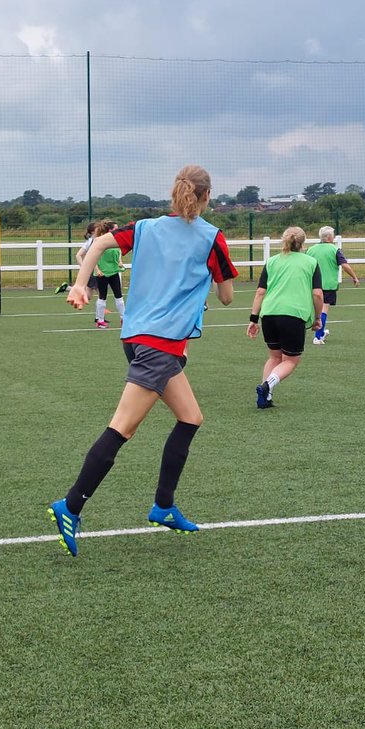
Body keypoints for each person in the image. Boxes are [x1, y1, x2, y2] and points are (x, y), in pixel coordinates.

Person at [48, 164, 238, 557]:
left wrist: (82, 284)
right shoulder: (212, 238)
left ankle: (164, 506)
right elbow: (227, 297)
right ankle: (70, 505)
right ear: (207, 196)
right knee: (123, 427)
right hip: (161, 345)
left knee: (191, 417)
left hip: (137, 338)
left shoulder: (146, 228)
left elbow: (99, 244)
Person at [246, 227, 323, 408]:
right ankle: (267, 386)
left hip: (269, 314)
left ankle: (266, 397)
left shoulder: (272, 261)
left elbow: (260, 292)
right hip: (293, 315)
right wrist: (318, 317)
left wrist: (253, 319)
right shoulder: (311, 262)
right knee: (290, 360)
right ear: (303, 243)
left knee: (274, 357)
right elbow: (318, 294)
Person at [306, 225, 360, 344]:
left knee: (316, 310)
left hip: (313, 285)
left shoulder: (310, 250)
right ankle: (318, 336)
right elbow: (344, 265)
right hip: (328, 285)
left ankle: (321, 332)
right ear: (330, 237)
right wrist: (354, 277)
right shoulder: (334, 250)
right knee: (324, 310)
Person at [92, 219, 127, 328]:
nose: (118, 230)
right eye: (115, 229)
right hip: (102, 273)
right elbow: (93, 257)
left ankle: (124, 318)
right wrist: (97, 269)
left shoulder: (116, 241)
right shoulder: (100, 241)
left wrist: (120, 262)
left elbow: (118, 252)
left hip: (114, 271)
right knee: (102, 296)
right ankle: (100, 320)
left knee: (119, 296)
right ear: (109, 230)